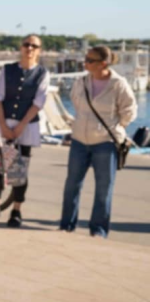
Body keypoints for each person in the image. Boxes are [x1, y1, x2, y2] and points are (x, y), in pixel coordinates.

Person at [59, 46, 138, 238]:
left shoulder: (118, 84)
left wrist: (116, 127)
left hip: (105, 143)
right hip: (79, 140)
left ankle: (98, 230)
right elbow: (76, 102)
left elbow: (130, 111)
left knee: (103, 188)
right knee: (72, 185)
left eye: (90, 60)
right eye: (85, 59)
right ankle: (67, 226)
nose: (85, 63)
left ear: (103, 63)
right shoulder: (81, 81)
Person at [0, 35, 51, 227]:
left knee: (19, 170)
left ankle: (16, 210)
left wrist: (20, 126)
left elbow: (38, 103)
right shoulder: (8, 70)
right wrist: (4, 126)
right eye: (26, 44)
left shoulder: (42, 73)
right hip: (3, 122)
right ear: (21, 48)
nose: (29, 48)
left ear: (39, 50)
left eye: (34, 46)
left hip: (26, 126)